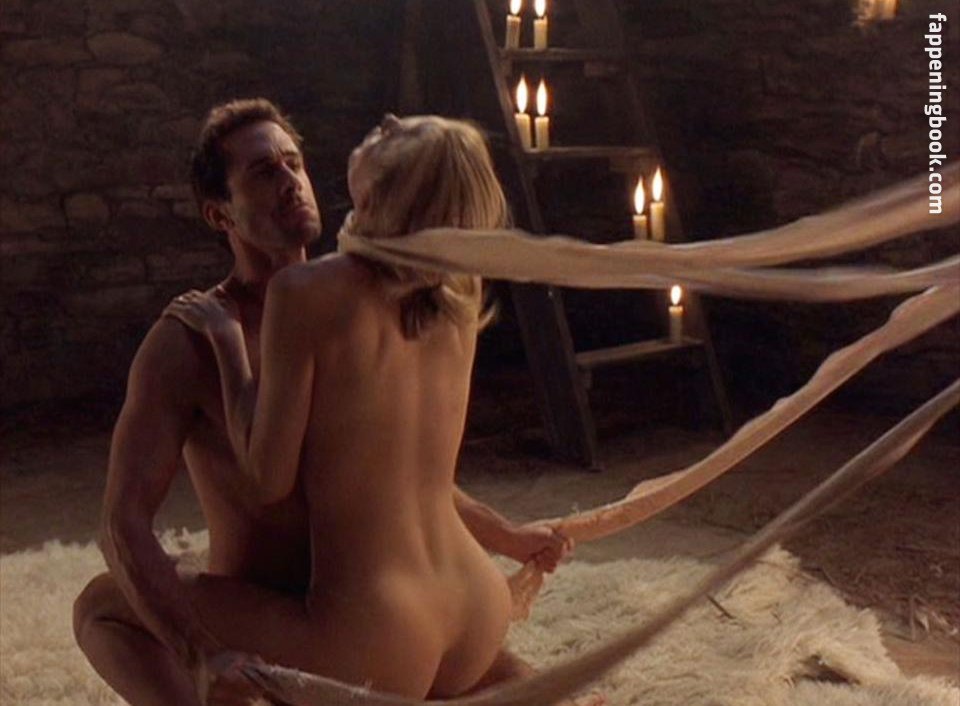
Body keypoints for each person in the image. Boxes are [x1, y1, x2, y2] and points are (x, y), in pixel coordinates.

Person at [73, 100, 572, 706]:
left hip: (361, 626)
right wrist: (197, 650)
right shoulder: (185, 343)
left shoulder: (326, 301)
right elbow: (122, 522)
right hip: (432, 608)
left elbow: (374, 467)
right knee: (139, 587)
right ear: (219, 213)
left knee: (100, 607)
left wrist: (505, 532)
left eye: (295, 163)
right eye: (264, 172)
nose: (290, 181)